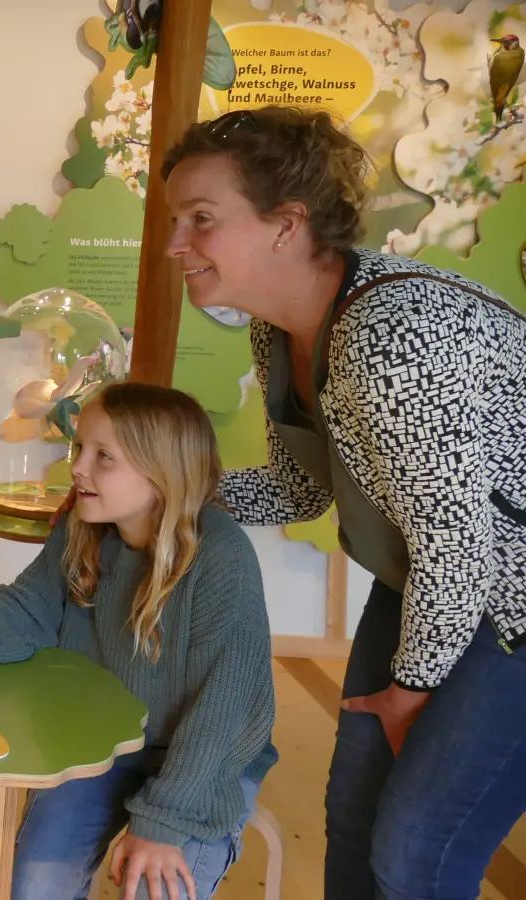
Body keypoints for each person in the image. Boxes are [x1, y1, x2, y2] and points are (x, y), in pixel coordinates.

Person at [159, 104, 526, 899]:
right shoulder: (276, 332)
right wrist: (168, 492)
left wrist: (411, 688)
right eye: (174, 220)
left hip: (510, 603)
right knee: (353, 820)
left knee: (419, 849)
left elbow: (462, 546)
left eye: (201, 220)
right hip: (432, 583)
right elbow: (303, 484)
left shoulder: (392, 333)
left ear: (287, 225)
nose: (173, 245)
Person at [0, 382, 277, 900]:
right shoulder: (81, 525)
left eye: (104, 456)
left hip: (202, 764)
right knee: (32, 884)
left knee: (158, 891)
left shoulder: (222, 557)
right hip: (106, 744)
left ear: (162, 472)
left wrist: (162, 824)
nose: (79, 467)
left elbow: (225, 710)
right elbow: (30, 604)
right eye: (80, 449)